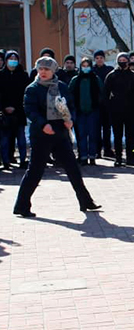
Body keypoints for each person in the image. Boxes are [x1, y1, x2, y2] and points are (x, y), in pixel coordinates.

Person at [13, 57, 101, 218]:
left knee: (72, 168)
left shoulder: (61, 86)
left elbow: (70, 105)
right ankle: (21, 205)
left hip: (60, 132)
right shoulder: (33, 88)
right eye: (41, 69)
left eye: (47, 69)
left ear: (53, 71)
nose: (43, 72)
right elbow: (30, 110)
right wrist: (43, 124)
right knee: (35, 170)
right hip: (42, 134)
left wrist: (70, 120)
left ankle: (86, 201)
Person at [103, 52, 134, 166]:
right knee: (117, 135)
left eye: (124, 60)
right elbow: (105, 93)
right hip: (116, 110)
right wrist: (109, 107)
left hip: (131, 110)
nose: (122, 62)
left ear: (128, 61)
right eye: (120, 60)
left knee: (131, 136)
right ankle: (118, 158)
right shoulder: (111, 75)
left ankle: (131, 157)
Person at [69, 57, 103, 166]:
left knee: (93, 134)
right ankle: (83, 156)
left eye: (87, 66)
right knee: (81, 135)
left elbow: (101, 93)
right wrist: (74, 107)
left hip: (93, 111)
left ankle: (92, 156)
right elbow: (70, 94)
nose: (85, 68)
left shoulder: (96, 79)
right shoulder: (75, 79)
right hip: (79, 112)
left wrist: (97, 104)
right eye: (83, 66)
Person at [0, 50, 30, 170]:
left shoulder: (23, 75)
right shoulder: (1, 75)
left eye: (15, 59)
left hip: (19, 112)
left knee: (21, 139)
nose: (13, 61)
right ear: (6, 60)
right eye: (10, 59)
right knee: (5, 140)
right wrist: (4, 108)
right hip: (4, 114)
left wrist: (16, 107)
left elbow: (25, 94)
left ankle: (23, 161)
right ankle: (5, 162)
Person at [91, 50, 114, 159]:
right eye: (97, 58)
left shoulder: (109, 70)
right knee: (96, 128)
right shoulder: (91, 71)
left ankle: (107, 149)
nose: (99, 60)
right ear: (94, 59)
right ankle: (97, 150)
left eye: (101, 58)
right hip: (95, 103)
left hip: (107, 103)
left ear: (104, 59)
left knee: (107, 128)